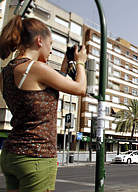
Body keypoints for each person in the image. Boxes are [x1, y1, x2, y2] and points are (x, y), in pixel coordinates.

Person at [0, 15, 87, 192]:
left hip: (11, 154)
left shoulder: (5, 73)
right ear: (40, 41)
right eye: (51, 45)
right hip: (36, 155)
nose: (51, 51)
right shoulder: (36, 68)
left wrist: (63, 69)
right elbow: (80, 88)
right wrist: (80, 63)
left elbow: (37, 95)